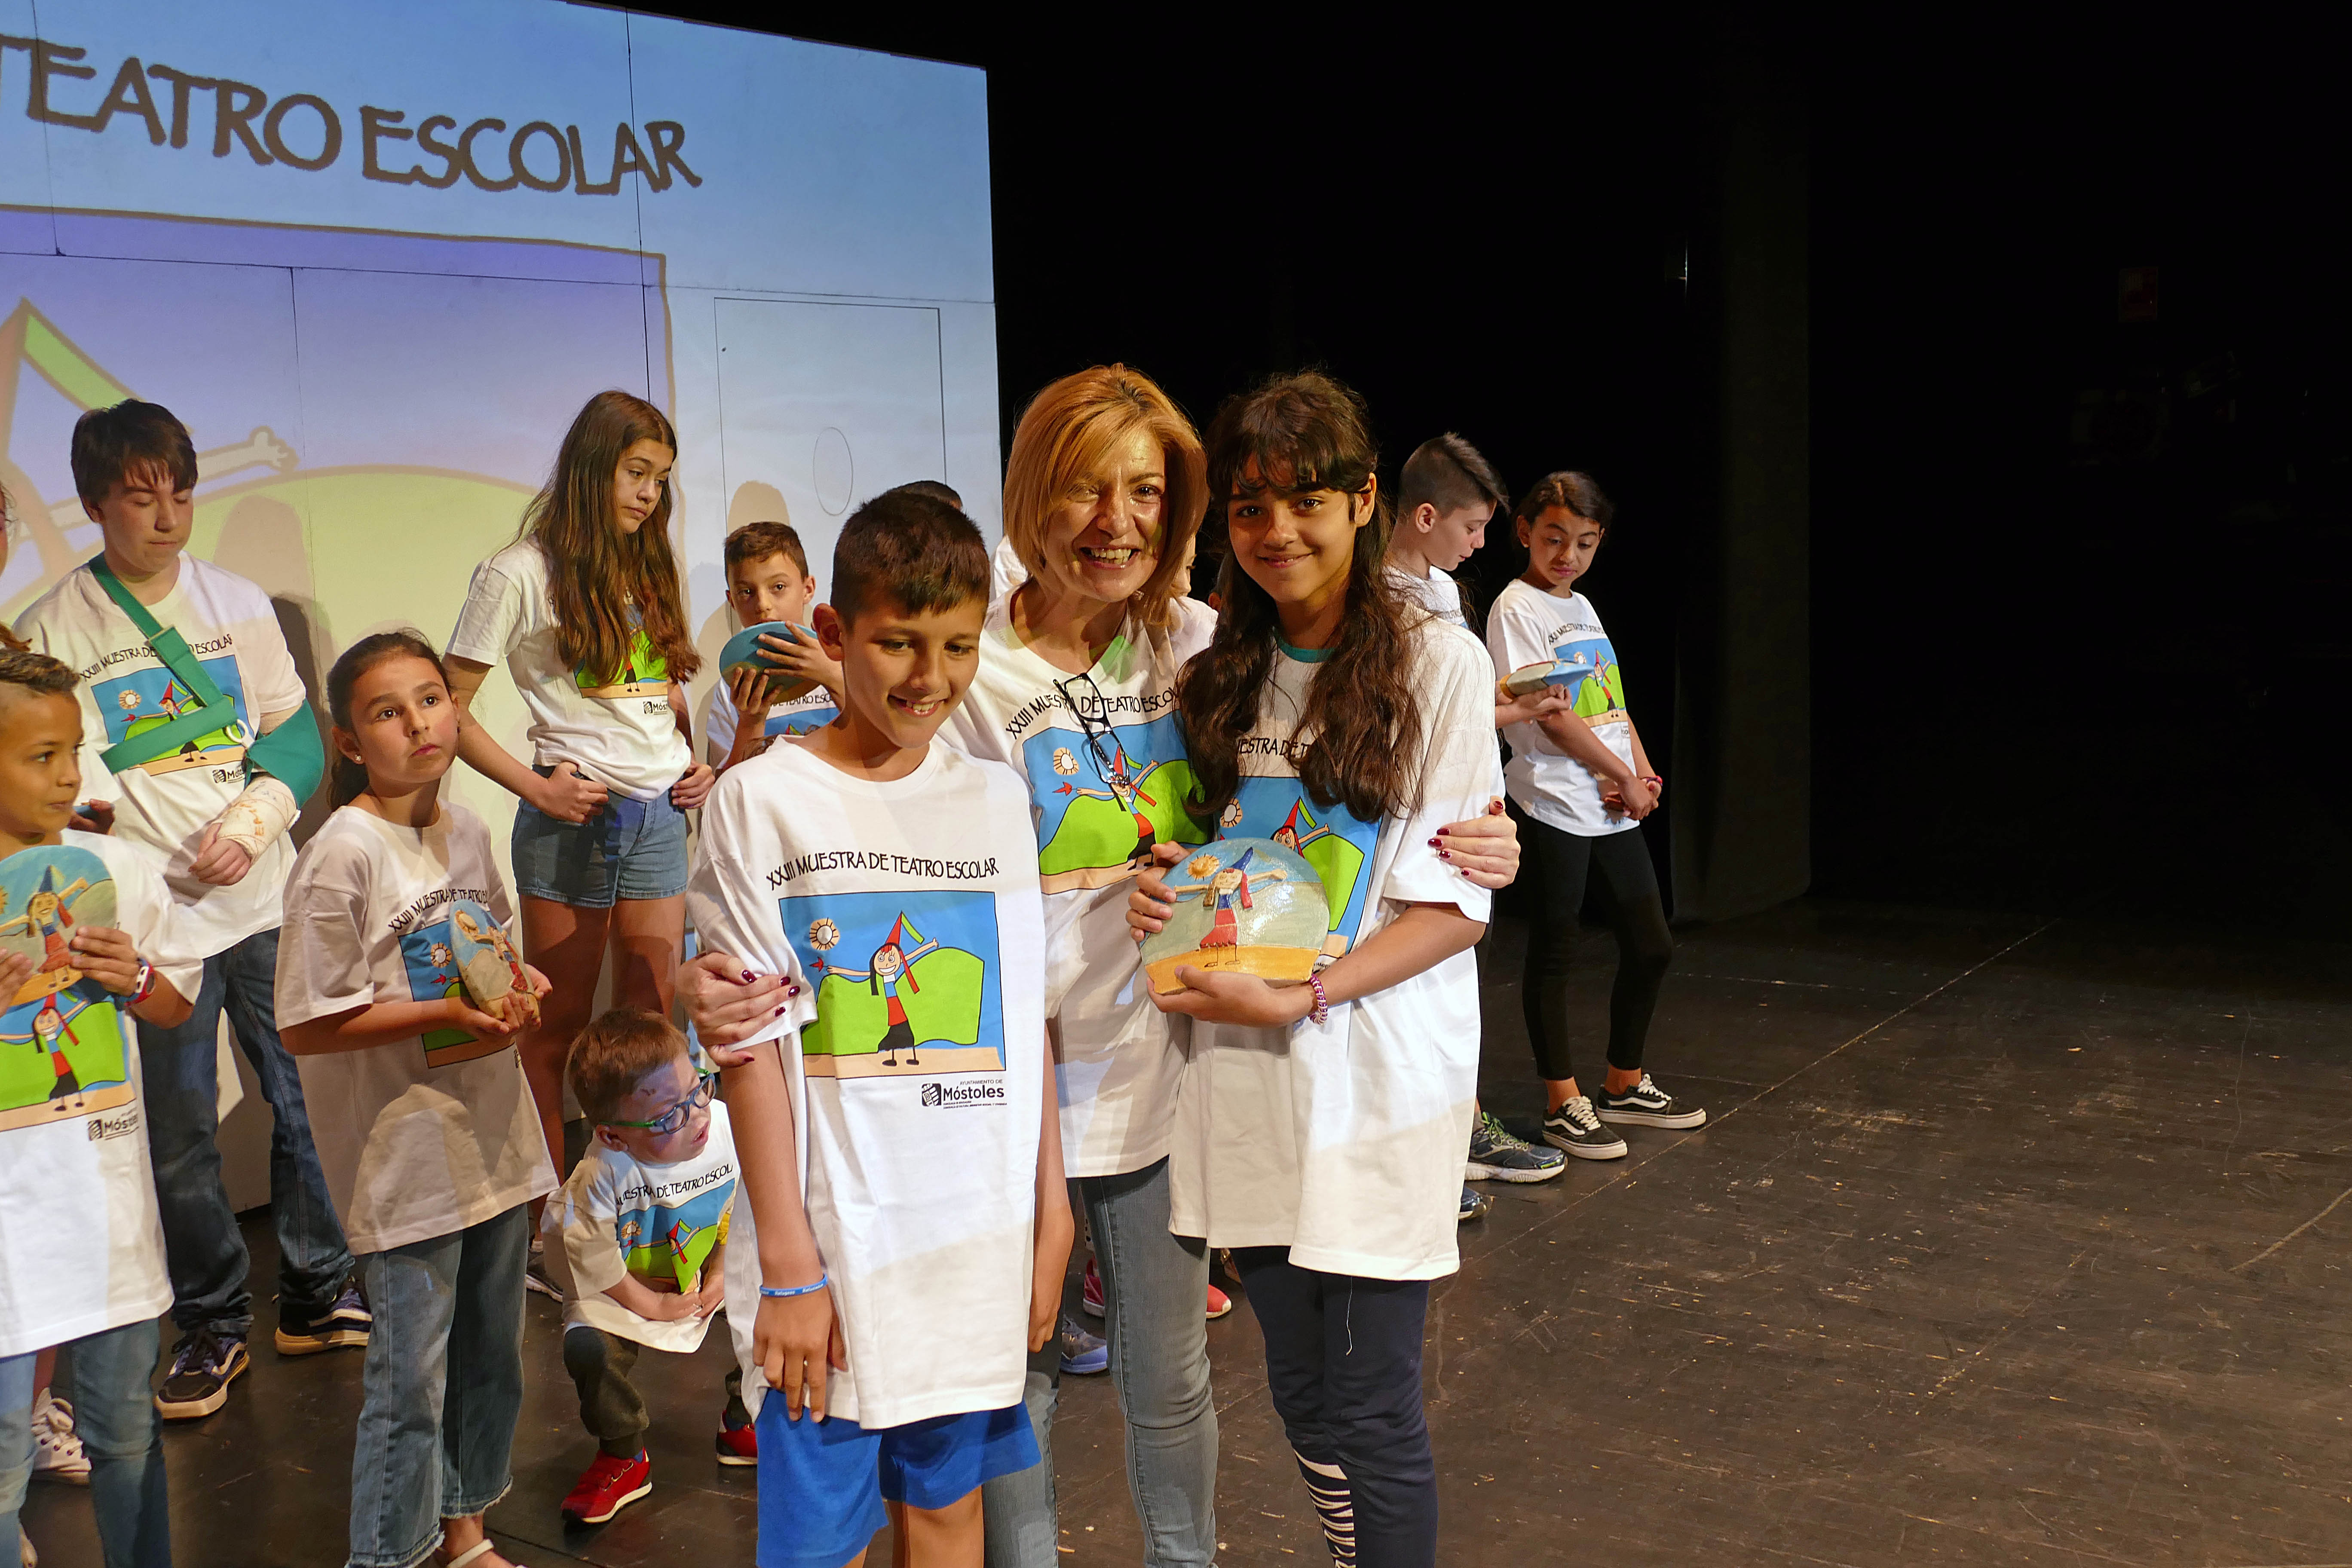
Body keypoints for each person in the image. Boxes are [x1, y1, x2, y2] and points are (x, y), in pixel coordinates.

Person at [678, 373, 1525, 1568]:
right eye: (1084, 487)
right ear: (1034, 494)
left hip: (1173, 1074)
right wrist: (704, 984)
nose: (1115, 521)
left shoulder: (1199, 645)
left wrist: (1485, 840)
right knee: (1010, 1398)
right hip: (998, 1102)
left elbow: (1307, 824)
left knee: (1174, 1384)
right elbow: (856, 816)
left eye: (1145, 492)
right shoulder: (977, 661)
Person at [1128, 371, 1496, 1568]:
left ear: (1364, 501)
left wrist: (1304, 992)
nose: (1276, 530)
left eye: (1305, 500)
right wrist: (1163, 887)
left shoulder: (1439, 664)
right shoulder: (1217, 671)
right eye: (1249, 507)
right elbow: (1205, 862)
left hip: (1374, 1073)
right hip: (1244, 1073)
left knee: (1374, 1407)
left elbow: (1453, 909)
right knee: (1298, 1390)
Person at [692, 489, 1069, 1568]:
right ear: (833, 632)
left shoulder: (995, 799)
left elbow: (1025, 1015)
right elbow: (751, 1044)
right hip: (830, 1246)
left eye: (957, 646)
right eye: (898, 642)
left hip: (970, 1242)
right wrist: (790, 1267)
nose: (929, 677)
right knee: (821, 1541)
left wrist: (1049, 1215)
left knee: (949, 1516)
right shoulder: (760, 800)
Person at [14, 400, 361, 1424]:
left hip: (262, 898)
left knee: (305, 1097)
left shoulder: (236, 601)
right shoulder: (55, 624)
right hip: (150, 916)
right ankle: (213, 1322)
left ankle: (318, 1289)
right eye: (140, 497)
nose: (167, 517)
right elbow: (49, 768)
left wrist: (254, 821)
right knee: (178, 1132)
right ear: (93, 504)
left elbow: (293, 734)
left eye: (181, 494)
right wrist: (105, 832)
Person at [277, 630, 558, 1568]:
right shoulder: (341, 854)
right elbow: (307, 1024)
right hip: (405, 1159)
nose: (418, 724)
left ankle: (465, 1532)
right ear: (350, 741)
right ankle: (385, 1555)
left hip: (491, 1134)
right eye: (388, 712)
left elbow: (488, 949)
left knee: (489, 1357)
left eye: (432, 699)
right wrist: (442, 1011)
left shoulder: (467, 827)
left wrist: (520, 982)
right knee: (411, 1382)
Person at [445, 390, 714, 1268]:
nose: (648, 493)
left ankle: (635, 1213)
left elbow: (655, 696)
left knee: (647, 1023)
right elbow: (450, 707)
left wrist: (690, 759)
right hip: (578, 819)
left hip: (660, 818)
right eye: (636, 473)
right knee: (555, 1029)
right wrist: (538, 787)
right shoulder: (518, 572)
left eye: (660, 479)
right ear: (594, 467)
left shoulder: (646, 564)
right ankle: (549, 1230)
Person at [0, 647, 202, 1568]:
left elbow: (178, 1003)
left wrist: (137, 977)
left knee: (126, 1431)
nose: (68, 775)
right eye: (41, 756)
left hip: (107, 1205)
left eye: (74, 750)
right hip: (12, 1223)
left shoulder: (115, 866)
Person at [1488, 472, 1700, 1160]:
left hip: (1610, 800)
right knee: (1556, 951)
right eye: (1554, 539)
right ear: (1525, 532)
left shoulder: (1581, 606)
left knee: (1651, 944)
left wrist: (1640, 771)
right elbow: (1550, 716)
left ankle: (1623, 1084)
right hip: (1554, 801)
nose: (1568, 555)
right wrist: (1619, 775)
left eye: (1583, 543)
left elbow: (1611, 702)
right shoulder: (1516, 608)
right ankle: (1561, 1103)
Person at [1382, 433, 1569, 1194]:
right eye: (1472, 527)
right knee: (1405, 1004)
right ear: (1425, 516)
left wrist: (1514, 705)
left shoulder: (1439, 593)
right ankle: (1423, 1163)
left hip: (1467, 833)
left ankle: (1452, 1139)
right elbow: (1407, 727)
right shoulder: (1379, 603)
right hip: (1419, 836)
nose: (1481, 544)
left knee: (1451, 1001)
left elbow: (1454, 708)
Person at [544, 1008, 748, 1525]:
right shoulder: (601, 1173)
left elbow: (742, 1208)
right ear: (614, 1136)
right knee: (590, 1345)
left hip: (703, 1270)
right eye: (666, 1117)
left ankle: (745, 1418)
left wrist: (722, 1273)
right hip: (624, 1287)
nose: (697, 1117)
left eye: (697, 1091)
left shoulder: (726, 1126)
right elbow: (594, 1262)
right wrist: (653, 1305)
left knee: (779, 1304)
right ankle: (623, 1453)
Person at [706, 521, 844, 772]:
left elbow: (884, 743)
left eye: (778, 587)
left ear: (808, 589)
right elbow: (727, 785)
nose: (763, 605)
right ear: (732, 602)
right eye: (746, 592)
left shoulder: (846, 663)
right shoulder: (732, 688)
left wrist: (833, 676)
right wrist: (751, 723)